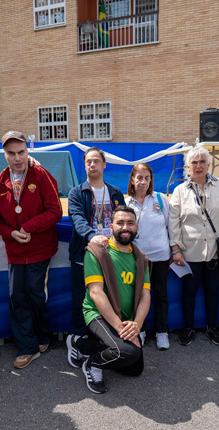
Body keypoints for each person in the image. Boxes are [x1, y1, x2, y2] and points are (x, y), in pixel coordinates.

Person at [0, 131, 62, 369]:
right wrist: (11, 233)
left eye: (21, 152)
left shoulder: (42, 175)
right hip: (15, 249)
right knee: (16, 296)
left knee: (34, 293)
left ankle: (42, 336)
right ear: (4, 155)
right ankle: (28, 346)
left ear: (27, 151)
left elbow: (55, 212)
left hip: (40, 248)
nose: (17, 157)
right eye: (11, 153)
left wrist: (28, 227)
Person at [66, 206, 151, 394]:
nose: (125, 227)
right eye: (120, 223)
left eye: (130, 223)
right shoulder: (96, 253)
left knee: (135, 368)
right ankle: (92, 364)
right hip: (97, 314)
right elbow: (96, 294)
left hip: (125, 317)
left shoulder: (141, 259)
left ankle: (84, 346)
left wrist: (136, 325)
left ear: (136, 227)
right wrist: (121, 328)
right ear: (111, 227)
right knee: (126, 352)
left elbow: (145, 295)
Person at [168, 146, 219, 346]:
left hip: (216, 252)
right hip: (189, 252)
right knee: (189, 293)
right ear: (188, 166)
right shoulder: (180, 191)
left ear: (208, 165)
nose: (198, 166)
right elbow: (173, 223)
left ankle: (212, 328)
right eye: (194, 162)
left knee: (212, 291)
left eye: (202, 162)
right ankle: (189, 329)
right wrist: (175, 248)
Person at [67, 147, 125, 337]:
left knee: (110, 296)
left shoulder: (115, 193)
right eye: (88, 162)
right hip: (84, 255)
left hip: (111, 255)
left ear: (104, 164)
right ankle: (78, 337)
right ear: (84, 166)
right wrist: (92, 236)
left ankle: (107, 336)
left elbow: (122, 221)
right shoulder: (76, 192)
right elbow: (77, 219)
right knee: (82, 298)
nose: (92, 165)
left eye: (96, 161)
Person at [125, 163, 171, 349]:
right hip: (137, 259)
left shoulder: (160, 199)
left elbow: (171, 226)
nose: (143, 182)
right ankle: (140, 331)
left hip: (160, 257)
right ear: (133, 180)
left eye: (147, 178)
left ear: (151, 180)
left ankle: (162, 332)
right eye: (139, 178)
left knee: (160, 295)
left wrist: (174, 251)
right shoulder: (126, 203)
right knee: (137, 296)